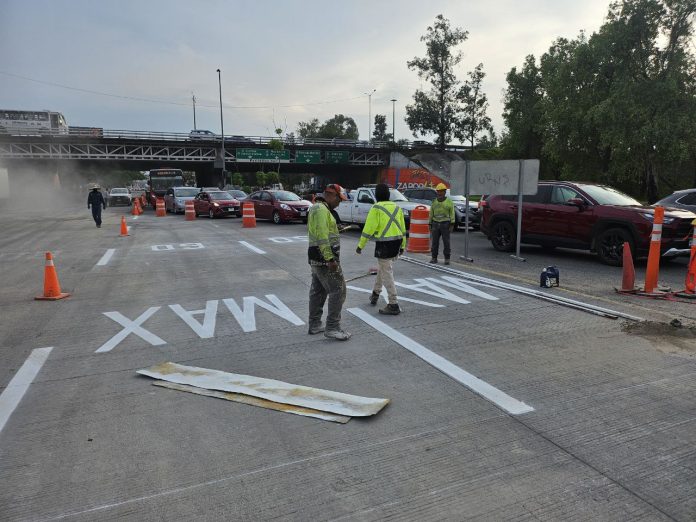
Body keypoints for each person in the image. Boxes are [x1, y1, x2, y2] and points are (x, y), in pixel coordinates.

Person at [307, 184, 351, 340]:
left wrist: (336, 229)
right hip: (324, 258)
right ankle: (332, 327)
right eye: (339, 199)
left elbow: (323, 231)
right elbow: (321, 236)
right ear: (331, 195)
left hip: (318, 257)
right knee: (338, 290)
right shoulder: (320, 209)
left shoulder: (321, 209)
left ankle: (315, 324)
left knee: (318, 292)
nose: (339, 203)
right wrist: (329, 258)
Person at [355, 183, 406, 315]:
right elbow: (403, 228)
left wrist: (361, 246)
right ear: (388, 195)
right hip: (396, 243)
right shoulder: (396, 207)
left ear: (377, 195)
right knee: (383, 268)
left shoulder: (376, 208)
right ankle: (375, 294)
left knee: (386, 271)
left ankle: (393, 303)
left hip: (384, 245)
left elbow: (368, 229)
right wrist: (403, 245)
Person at [429, 182, 455, 264]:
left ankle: (447, 259)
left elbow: (452, 213)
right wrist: (430, 223)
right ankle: (434, 258)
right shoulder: (434, 202)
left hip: (445, 224)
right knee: (434, 242)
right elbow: (431, 213)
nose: (439, 193)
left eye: (441, 191)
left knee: (446, 242)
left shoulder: (449, 202)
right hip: (435, 224)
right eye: (438, 191)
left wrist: (452, 224)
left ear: (445, 192)